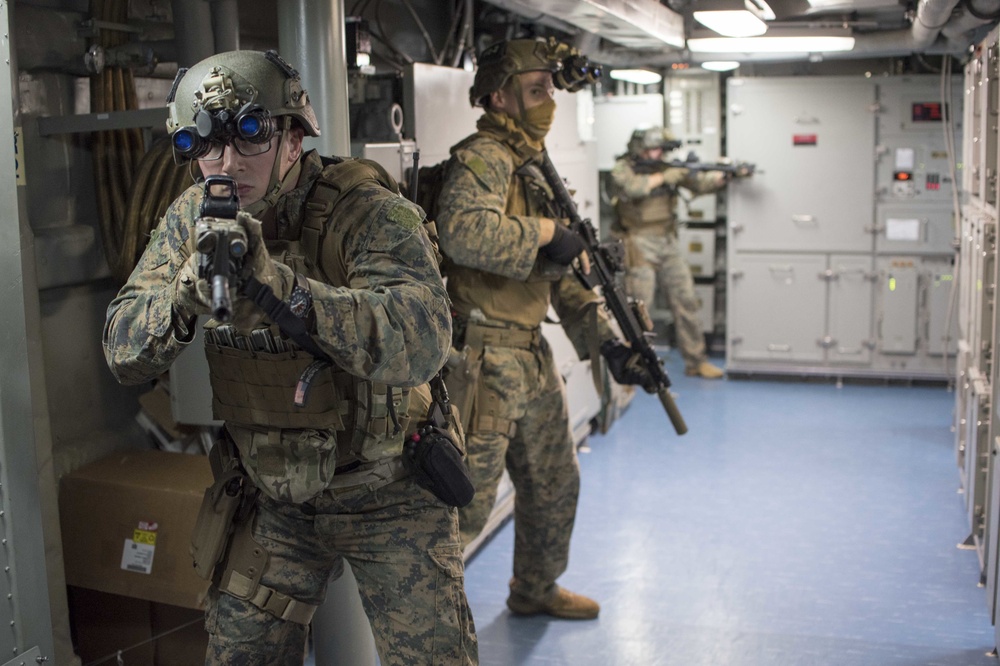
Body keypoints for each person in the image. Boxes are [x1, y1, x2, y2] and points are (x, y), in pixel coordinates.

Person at [102, 49, 477, 665]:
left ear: (294, 136)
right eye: (205, 146)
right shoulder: (193, 220)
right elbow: (122, 350)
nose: (224, 163)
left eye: (249, 137)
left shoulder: (369, 214)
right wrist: (183, 300)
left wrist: (286, 296)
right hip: (274, 494)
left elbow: (422, 337)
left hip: (388, 489)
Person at [435, 37, 656, 621]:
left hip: (529, 355)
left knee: (555, 484)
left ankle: (535, 587)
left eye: (550, 89)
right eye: (536, 90)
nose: (548, 100)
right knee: (465, 509)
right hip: (481, 361)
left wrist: (606, 343)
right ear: (500, 97)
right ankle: (421, 628)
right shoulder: (484, 156)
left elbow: (564, 269)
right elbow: (461, 231)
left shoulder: (532, 163)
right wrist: (540, 232)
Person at [610, 126, 746, 379]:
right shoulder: (623, 168)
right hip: (638, 243)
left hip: (667, 240)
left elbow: (700, 184)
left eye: (661, 149)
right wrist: (665, 177)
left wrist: (726, 175)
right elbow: (631, 188)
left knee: (686, 300)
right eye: (653, 149)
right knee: (638, 309)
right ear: (639, 149)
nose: (657, 154)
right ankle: (632, 365)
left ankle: (696, 361)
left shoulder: (667, 168)